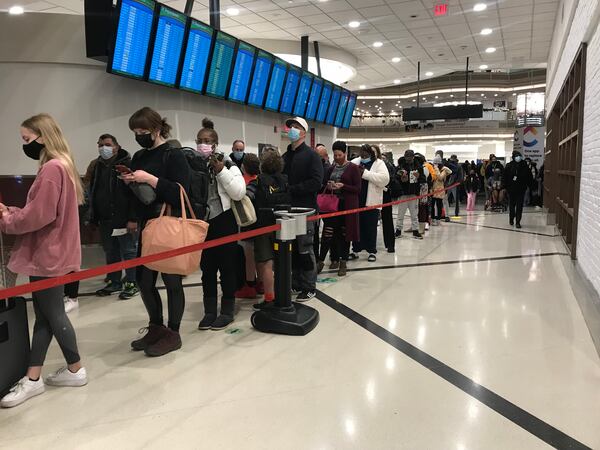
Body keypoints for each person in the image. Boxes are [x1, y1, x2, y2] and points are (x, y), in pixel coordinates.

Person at [0, 113, 88, 408]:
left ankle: (74, 369)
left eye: (27, 139)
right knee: (46, 314)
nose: (24, 145)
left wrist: (7, 219)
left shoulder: (51, 168)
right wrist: (12, 212)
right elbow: (44, 210)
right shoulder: (63, 165)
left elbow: (39, 215)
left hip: (49, 254)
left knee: (52, 313)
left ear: (42, 136)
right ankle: (34, 376)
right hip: (55, 252)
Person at [121, 107, 191, 357]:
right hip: (147, 225)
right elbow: (140, 198)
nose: (139, 135)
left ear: (157, 130)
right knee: (144, 280)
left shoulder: (173, 154)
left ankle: (173, 332)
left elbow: (181, 191)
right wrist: (132, 183)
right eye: (135, 132)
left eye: (143, 131)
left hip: (168, 223)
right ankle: (156, 326)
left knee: (172, 280)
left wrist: (150, 179)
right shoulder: (139, 156)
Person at [194, 119, 246, 329]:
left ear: (215, 144)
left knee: (227, 268)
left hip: (225, 221)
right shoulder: (193, 163)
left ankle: (227, 309)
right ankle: (209, 311)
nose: (203, 144)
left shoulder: (228, 163)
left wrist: (221, 171)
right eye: (200, 140)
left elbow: (238, 192)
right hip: (202, 224)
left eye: (207, 141)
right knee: (207, 270)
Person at [86, 133, 139, 300]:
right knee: (111, 252)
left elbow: (134, 194)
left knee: (129, 251)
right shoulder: (97, 166)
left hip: (123, 218)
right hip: (105, 218)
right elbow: (93, 191)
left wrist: (133, 219)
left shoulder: (127, 165)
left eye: (107, 144)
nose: (103, 148)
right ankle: (114, 282)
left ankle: (132, 282)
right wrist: (93, 217)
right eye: (100, 144)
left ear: (116, 146)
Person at [282, 117, 323, 301]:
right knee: (292, 248)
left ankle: (309, 286)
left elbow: (316, 182)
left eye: (296, 127)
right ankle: (296, 282)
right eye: (290, 126)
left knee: (305, 248)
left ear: (304, 133)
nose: (292, 129)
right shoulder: (285, 156)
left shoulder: (312, 155)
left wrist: (293, 189)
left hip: (306, 209)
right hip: (287, 210)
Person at [248, 149, 290, 309]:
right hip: (283, 225)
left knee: (265, 262)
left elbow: (245, 197)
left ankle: (269, 298)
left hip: (262, 226)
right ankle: (283, 295)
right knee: (282, 262)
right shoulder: (284, 180)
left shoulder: (257, 182)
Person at [317, 140, 361, 276]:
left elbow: (358, 189)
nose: (337, 158)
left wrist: (343, 186)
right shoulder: (331, 168)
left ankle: (343, 261)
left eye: (339, 155)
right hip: (332, 205)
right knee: (327, 233)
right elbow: (324, 183)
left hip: (346, 205)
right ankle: (321, 261)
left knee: (343, 235)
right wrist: (329, 186)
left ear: (345, 154)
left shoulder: (353, 168)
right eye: (335, 155)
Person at [349, 144, 389, 262]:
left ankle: (372, 251)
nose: (363, 155)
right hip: (356, 200)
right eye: (361, 153)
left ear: (371, 154)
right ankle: (355, 250)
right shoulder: (355, 162)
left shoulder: (379, 163)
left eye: (366, 153)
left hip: (371, 201)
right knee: (356, 226)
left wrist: (365, 174)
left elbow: (384, 179)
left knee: (370, 227)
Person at [235, 153, 261, 299]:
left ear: (243, 167)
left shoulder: (242, 183)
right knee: (259, 255)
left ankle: (249, 286)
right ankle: (260, 283)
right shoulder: (260, 181)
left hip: (246, 223)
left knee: (248, 256)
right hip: (260, 224)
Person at [395, 149, 424, 240]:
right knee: (400, 213)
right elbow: (395, 178)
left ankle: (415, 230)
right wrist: (401, 177)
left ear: (413, 157)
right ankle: (398, 230)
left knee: (414, 213)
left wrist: (419, 177)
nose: (408, 160)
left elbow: (423, 179)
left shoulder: (419, 167)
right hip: (403, 193)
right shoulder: (400, 166)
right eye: (406, 158)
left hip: (414, 193)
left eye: (410, 158)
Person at [504, 150, 533, 228]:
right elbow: (505, 177)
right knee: (512, 205)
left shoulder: (524, 165)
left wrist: (530, 186)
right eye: (516, 156)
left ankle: (518, 222)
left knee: (519, 206)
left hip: (521, 189)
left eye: (519, 156)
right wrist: (505, 187)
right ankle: (511, 218)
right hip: (511, 189)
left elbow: (529, 177)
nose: (518, 158)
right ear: (513, 157)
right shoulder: (509, 166)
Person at [378, 147, 398, 252]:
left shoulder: (386, 165)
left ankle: (390, 244)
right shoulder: (375, 164)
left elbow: (390, 179)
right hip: (377, 193)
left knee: (387, 219)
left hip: (384, 193)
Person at [431, 155, 452, 225]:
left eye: (436, 164)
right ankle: (433, 218)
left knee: (439, 205)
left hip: (440, 190)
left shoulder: (444, 170)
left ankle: (438, 220)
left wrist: (437, 169)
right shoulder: (433, 169)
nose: (435, 165)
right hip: (433, 190)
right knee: (433, 205)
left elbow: (440, 178)